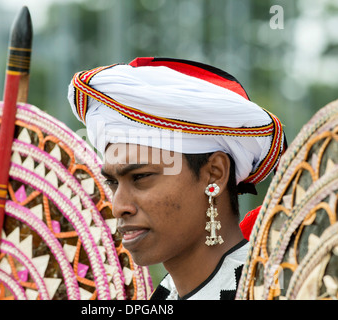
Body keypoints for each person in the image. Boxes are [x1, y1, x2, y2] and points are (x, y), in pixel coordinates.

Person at [67, 57, 286, 300]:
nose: (119, 207)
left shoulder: (278, 291)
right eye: (113, 182)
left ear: (215, 174)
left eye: (141, 177)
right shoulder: (166, 295)